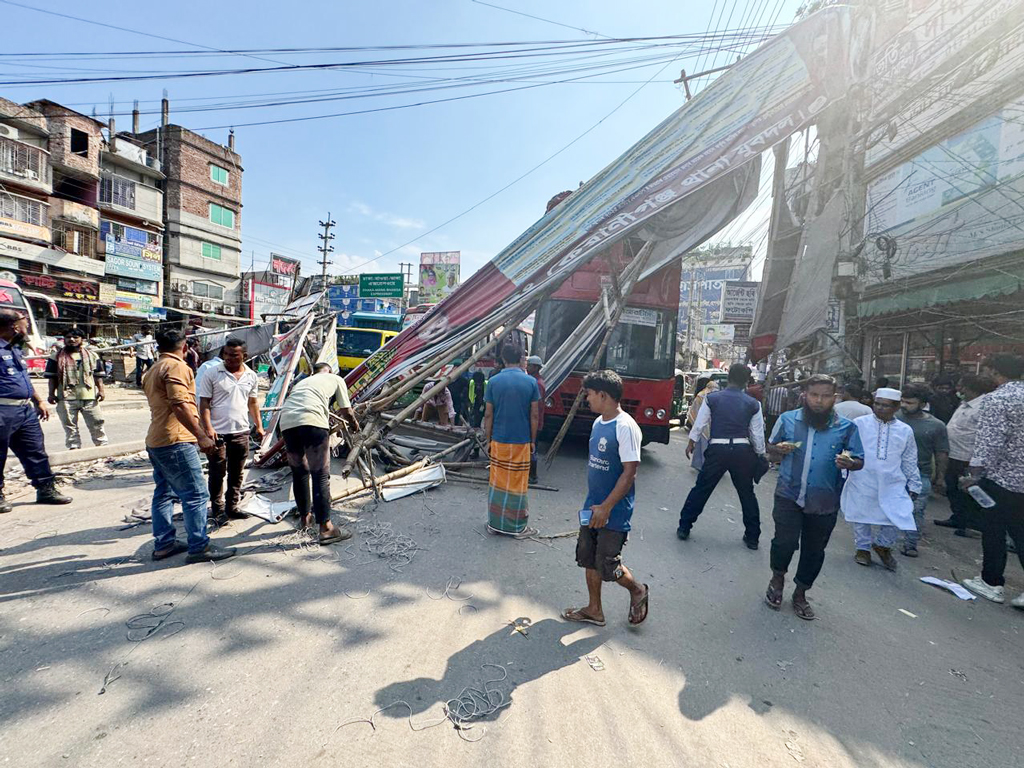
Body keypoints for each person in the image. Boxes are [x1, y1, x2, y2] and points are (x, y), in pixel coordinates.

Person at [765, 374, 864, 620]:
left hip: (824, 501)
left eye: (825, 396)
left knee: (814, 550)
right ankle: (777, 580)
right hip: (789, 494)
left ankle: (800, 593)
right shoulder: (787, 420)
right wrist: (778, 450)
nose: (819, 401)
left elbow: (859, 460)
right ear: (804, 396)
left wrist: (849, 463)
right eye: (814, 395)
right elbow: (770, 450)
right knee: (784, 542)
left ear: (835, 397)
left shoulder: (847, 427)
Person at [561, 370, 649, 627]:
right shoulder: (599, 423)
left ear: (603, 395)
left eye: (588, 395)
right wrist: (595, 506)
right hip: (593, 507)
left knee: (608, 565)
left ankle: (637, 590)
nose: (586, 399)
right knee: (587, 557)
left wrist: (607, 507)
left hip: (614, 511)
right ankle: (594, 609)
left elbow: (630, 472)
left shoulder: (626, 427)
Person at [143, 328, 235, 563]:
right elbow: (179, 404)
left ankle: (164, 543)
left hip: (157, 439)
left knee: (163, 493)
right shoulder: (176, 367)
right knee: (195, 494)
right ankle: (199, 547)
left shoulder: (153, 368)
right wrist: (202, 436)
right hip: (176, 440)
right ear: (185, 347)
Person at [677, 363, 766, 549]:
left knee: (701, 489)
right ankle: (752, 538)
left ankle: (684, 526)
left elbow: (700, 423)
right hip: (742, 451)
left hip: (717, 449)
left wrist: (691, 442)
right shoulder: (753, 404)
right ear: (746, 381)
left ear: (729, 378)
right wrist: (760, 454)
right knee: (747, 494)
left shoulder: (712, 398)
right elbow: (757, 435)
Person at [960, 354, 1024, 606]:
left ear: (995, 371)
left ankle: (991, 582)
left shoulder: (997, 399)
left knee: (994, 530)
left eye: (985, 370)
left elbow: (990, 442)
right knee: (1021, 532)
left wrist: (973, 475)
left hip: (1002, 479)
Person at [840, 388, 922, 571]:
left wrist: (914, 484)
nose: (880, 408)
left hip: (892, 480)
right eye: (877, 403)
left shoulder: (905, 430)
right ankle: (862, 549)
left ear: (896, 407)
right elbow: (848, 448)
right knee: (861, 514)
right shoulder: (859, 423)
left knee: (898, 513)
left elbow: (909, 458)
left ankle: (883, 545)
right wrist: (844, 471)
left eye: (885, 405)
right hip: (862, 476)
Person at [0, 309, 72, 514]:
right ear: (14, 326)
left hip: (24, 409)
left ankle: (45, 489)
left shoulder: (14, 346)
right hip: (3, 410)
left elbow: (22, 377)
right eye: (25, 323)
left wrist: (38, 400)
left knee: (35, 451)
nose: (28, 327)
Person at [278, 363, 359, 544]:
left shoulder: (303, 383)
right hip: (313, 421)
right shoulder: (336, 379)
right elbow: (346, 409)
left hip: (287, 423)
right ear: (330, 371)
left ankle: (305, 519)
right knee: (321, 474)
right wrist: (354, 424)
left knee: (299, 473)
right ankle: (326, 529)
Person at [198, 339, 263, 526]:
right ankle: (217, 509)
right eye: (226, 354)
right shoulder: (212, 373)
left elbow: (252, 402)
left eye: (234, 355)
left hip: (240, 431)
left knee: (237, 472)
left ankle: (232, 507)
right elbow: (204, 403)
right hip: (217, 433)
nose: (229, 358)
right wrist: (208, 428)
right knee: (217, 473)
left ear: (245, 356)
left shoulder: (251, 375)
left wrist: (258, 426)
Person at [483, 343, 540, 537]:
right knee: (518, 483)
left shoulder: (494, 381)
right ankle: (517, 527)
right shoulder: (531, 382)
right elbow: (534, 415)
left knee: (498, 481)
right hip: (521, 441)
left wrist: (488, 439)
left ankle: (495, 524)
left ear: (504, 359)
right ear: (521, 359)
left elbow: (488, 415)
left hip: (499, 439)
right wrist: (533, 441)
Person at [935, 375, 997, 535]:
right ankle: (958, 518)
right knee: (953, 489)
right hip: (953, 453)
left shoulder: (983, 406)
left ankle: (972, 524)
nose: (958, 390)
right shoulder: (964, 404)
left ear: (972, 389)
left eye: (962, 387)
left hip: (968, 456)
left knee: (969, 492)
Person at [896, 384, 949, 557]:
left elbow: (941, 453)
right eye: (902, 401)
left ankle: (911, 543)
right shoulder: (894, 418)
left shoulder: (936, 426)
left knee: (916, 510)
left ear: (922, 403)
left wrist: (940, 477)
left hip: (920, 473)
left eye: (909, 402)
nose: (904, 405)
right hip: (893, 472)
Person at [45, 327, 108, 450]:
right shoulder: (56, 357)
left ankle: (103, 449)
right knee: (70, 427)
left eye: (75, 337)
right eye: (68, 337)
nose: (71, 340)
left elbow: (98, 376)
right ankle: (74, 450)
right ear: (64, 340)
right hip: (66, 398)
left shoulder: (92, 356)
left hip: (89, 397)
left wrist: (101, 390)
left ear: (82, 339)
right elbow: (52, 378)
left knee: (97, 424)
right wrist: (51, 394)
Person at [685, 378, 719, 470]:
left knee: (701, 445)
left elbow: (695, 412)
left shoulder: (701, 395)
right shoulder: (716, 396)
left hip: (701, 423)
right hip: (713, 426)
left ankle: (700, 465)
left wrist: (691, 442)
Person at [526, 355, 546, 483]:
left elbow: (536, 409)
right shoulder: (536, 381)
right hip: (535, 422)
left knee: (531, 449)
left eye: (529, 365)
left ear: (535, 367)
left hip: (535, 423)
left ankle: (533, 476)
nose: (527, 367)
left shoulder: (537, 384)